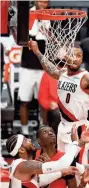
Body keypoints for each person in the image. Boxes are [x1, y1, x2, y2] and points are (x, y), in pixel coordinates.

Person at [28, 40, 89, 165]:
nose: (75, 59)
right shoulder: (62, 74)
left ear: (82, 59)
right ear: (65, 57)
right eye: (72, 55)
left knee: (78, 167)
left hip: (79, 127)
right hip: (62, 126)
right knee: (61, 165)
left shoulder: (88, 78)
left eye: (79, 56)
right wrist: (37, 51)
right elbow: (48, 67)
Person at [6, 125, 89, 188]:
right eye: (26, 140)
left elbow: (41, 180)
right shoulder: (24, 166)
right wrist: (76, 142)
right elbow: (63, 164)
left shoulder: (24, 165)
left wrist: (62, 173)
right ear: (21, 149)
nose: (29, 139)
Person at [18, 0, 50, 135]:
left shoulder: (50, 17)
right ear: (35, 1)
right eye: (41, 1)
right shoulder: (26, 15)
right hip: (27, 68)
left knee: (44, 103)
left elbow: (52, 40)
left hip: (43, 68)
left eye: (46, 2)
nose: (43, 4)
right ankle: (24, 130)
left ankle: (43, 130)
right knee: (24, 101)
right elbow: (25, 38)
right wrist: (36, 18)